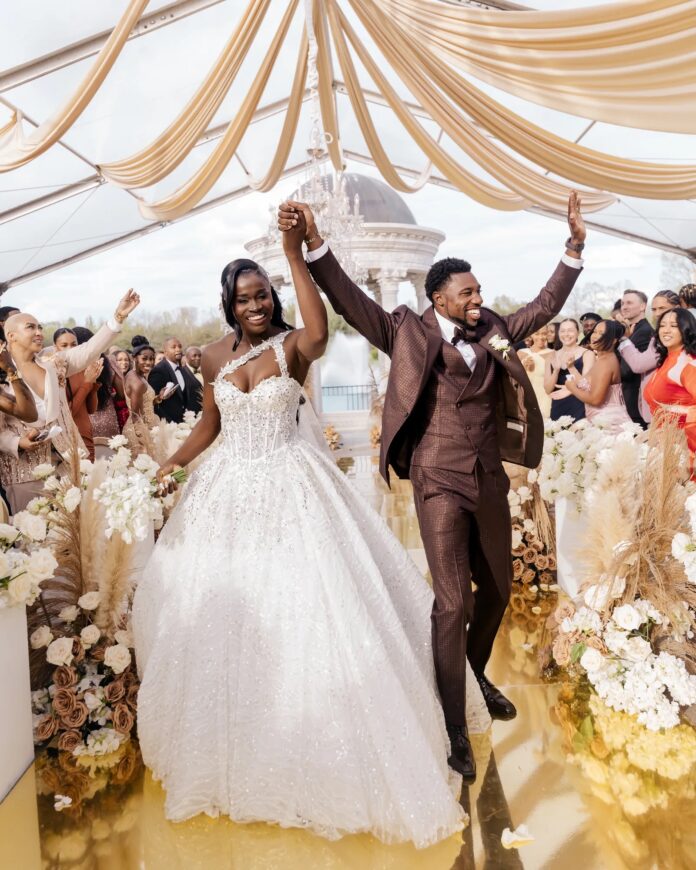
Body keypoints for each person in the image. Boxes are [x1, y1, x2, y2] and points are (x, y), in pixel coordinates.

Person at [132, 243, 480, 844]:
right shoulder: (212, 355)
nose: (256, 305)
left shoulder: (295, 346)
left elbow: (320, 328)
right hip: (227, 497)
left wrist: (295, 254)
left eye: (263, 294)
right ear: (229, 305)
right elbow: (208, 427)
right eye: (245, 299)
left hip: (293, 486)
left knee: (309, 608)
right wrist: (167, 466)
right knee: (229, 619)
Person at [277, 191, 586, 783]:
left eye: (479, 291)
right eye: (468, 293)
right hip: (437, 478)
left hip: (489, 478)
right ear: (439, 298)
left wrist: (572, 249)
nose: (479, 299)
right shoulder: (404, 332)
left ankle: (470, 678)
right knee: (453, 602)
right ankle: (452, 724)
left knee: (497, 589)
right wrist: (314, 243)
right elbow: (346, 297)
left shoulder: (493, 328)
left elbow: (544, 306)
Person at [0, 292, 139, 513]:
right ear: (11, 335)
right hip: (25, 473)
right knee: (33, 541)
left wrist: (117, 317)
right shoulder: (1, 376)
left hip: (69, 463)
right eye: (31, 327)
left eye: (39, 327)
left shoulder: (54, 363)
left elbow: (88, 350)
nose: (39, 333)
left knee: (77, 534)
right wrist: (17, 442)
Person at [644, 309, 696, 469]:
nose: (666, 330)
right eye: (662, 325)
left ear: (686, 329)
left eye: (673, 326)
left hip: (684, 454)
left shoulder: (688, 362)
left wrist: (684, 442)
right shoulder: (667, 360)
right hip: (664, 448)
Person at [618, 290, 680, 422]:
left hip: (671, 407)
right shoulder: (658, 336)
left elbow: (638, 365)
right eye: (654, 309)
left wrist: (623, 339)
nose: (657, 314)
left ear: (677, 308)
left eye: (662, 308)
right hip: (655, 408)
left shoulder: (659, 336)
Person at [563, 320, 631, 432]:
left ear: (613, 340)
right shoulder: (601, 359)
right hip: (598, 422)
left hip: (610, 425)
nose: (595, 336)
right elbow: (586, 385)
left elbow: (595, 399)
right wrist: (571, 368)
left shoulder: (607, 362)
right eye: (595, 331)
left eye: (601, 333)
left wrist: (572, 388)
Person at [53, 328, 101, 461]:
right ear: (55, 348)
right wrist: (86, 384)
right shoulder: (54, 374)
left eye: (74, 345)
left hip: (86, 435)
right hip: (67, 438)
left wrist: (93, 384)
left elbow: (91, 409)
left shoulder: (82, 368)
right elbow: (67, 414)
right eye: (64, 345)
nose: (70, 349)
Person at [544, 318, 593, 422]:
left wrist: (570, 388)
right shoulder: (551, 355)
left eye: (570, 330)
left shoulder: (587, 354)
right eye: (562, 331)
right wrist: (556, 371)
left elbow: (587, 385)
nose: (566, 334)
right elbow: (548, 389)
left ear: (578, 332)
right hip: (557, 406)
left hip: (580, 406)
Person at [619, 290, 654, 427]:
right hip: (628, 401)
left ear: (642, 306)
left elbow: (628, 370)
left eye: (629, 303)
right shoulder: (631, 331)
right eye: (622, 303)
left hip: (636, 403)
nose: (624, 307)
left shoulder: (645, 332)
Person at [149, 337, 202, 423]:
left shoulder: (181, 369)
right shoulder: (158, 370)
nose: (178, 349)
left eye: (180, 347)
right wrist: (168, 422)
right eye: (173, 347)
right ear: (165, 352)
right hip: (169, 423)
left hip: (185, 421)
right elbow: (155, 403)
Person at [123, 338, 161, 458]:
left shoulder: (138, 375)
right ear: (134, 358)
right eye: (144, 358)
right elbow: (136, 416)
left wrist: (157, 398)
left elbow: (144, 403)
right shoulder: (137, 382)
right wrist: (144, 441)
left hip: (148, 425)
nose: (149, 362)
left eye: (151, 359)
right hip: (139, 431)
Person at [519, 327, 552, 417]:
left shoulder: (553, 353)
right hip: (524, 398)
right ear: (531, 335)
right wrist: (523, 368)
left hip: (544, 399)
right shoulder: (521, 353)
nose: (540, 337)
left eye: (544, 334)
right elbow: (513, 378)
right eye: (537, 334)